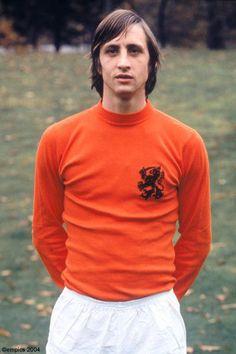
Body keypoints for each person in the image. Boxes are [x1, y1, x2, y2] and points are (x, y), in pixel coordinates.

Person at [32, 9, 211, 354]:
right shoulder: (58, 139)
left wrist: (161, 298)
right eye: (112, 51)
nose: (123, 62)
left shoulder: (185, 143)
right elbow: (45, 229)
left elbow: (197, 237)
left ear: (152, 63)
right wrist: (79, 286)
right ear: (98, 63)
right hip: (80, 315)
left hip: (154, 319)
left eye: (135, 50)